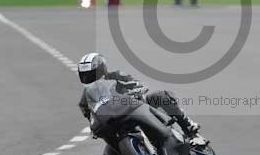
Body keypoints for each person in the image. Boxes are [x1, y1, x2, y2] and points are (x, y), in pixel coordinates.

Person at [77, 53, 206, 144]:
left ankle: (189, 129)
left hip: (137, 105)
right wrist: (94, 123)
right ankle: (129, 152)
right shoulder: (87, 95)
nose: (89, 78)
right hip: (115, 121)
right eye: (86, 75)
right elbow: (89, 113)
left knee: (160, 95)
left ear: (102, 69)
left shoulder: (117, 75)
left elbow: (136, 84)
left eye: (92, 74)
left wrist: (136, 91)